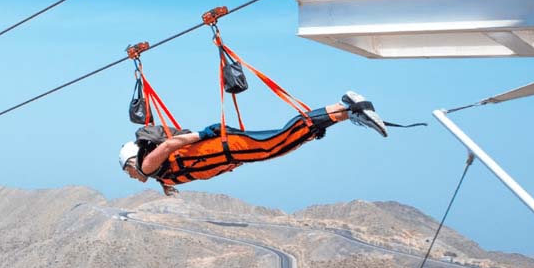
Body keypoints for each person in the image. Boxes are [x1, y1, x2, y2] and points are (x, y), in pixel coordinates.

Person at [119, 91, 387, 196]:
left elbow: (168, 146)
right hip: (230, 153)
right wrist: (167, 187)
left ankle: (345, 106)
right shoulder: (159, 174)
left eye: (128, 171)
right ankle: (345, 114)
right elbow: (172, 168)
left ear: (133, 161)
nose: (132, 176)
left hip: (225, 148)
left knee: (278, 142)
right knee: (283, 145)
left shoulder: (147, 165)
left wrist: (203, 135)